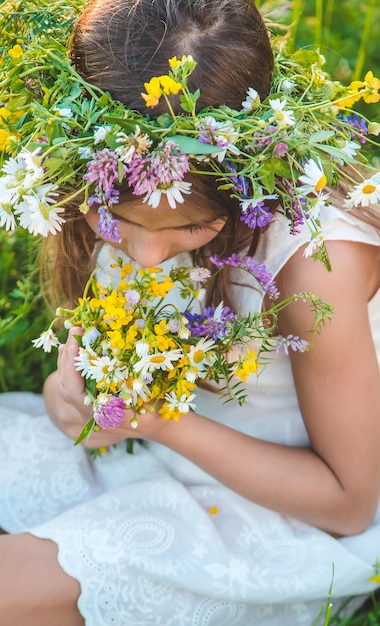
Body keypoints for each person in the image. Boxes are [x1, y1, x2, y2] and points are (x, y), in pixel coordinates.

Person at [0, 0, 379, 624]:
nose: (148, 256)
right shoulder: (110, 177)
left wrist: (162, 423)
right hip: (139, 455)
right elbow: (75, 397)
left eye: (195, 225)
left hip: (270, 516)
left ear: (244, 180)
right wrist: (66, 395)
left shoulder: (313, 263)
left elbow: (348, 503)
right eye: (117, 220)